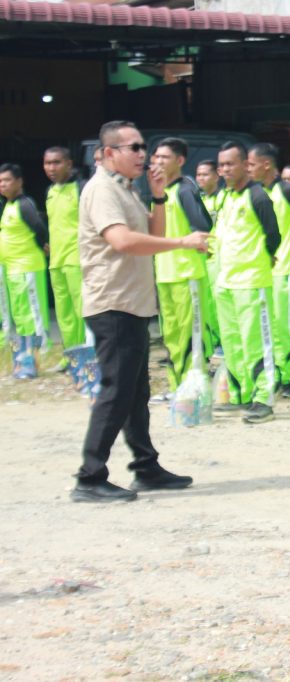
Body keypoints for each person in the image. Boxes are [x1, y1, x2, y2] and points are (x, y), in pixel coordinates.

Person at [71, 120, 208, 502]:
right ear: (110, 152)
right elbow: (123, 241)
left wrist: (159, 196)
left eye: (143, 146)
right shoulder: (101, 190)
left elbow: (149, 227)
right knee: (117, 391)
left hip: (132, 302)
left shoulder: (126, 189)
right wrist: (182, 242)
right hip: (112, 303)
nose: (142, 154)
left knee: (136, 392)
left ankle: (146, 467)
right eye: (134, 147)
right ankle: (89, 476)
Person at [214, 141, 281, 424]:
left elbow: (273, 236)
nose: (225, 170)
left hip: (252, 281)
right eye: (221, 165)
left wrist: (261, 261)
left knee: (256, 342)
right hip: (225, 282)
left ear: (245, 165)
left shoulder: (259, 197)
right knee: (232, 342)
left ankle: (263, 399)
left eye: (231, 164)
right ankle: (241, 394)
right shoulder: (224, 197)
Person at [248, 142, 290, 400]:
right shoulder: (259, 192)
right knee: (275, 327)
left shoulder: (287, 190)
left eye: (251, 164)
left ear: (267, 164)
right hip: (270, 271)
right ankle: (282, 374)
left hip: (288, 269)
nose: (248, 169)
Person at [149, 138, 215, 393]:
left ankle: (193, 388)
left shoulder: (185, 189)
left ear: (180, 161)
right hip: (165, 273)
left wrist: (198, 243)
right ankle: (177, 387)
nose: (158, 162)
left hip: (187, 273)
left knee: (190, 336)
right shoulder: (159, 192)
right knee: (172, 336)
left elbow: (203, 224)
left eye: (164, 157)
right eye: (156, 157)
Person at [0, 163, 49, 376]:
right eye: (0, 181)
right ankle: (22, 361)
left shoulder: (24, 204)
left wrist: (43, 245)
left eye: (7, 180)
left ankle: (35, 361)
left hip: (27, 267)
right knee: (21, 317)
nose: (2, 185)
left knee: (33, 316)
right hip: (12, 269)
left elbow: (39, 227)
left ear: (19, 182)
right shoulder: (8, 205)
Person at [43, 147, 87, 362]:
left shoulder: (81, 188)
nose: (51, 168)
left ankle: (88, 352)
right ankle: (71, 354)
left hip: (77, 258)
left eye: (56, 162)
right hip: (56, 261)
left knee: (82, 309)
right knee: (64, 312)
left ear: (69, 164)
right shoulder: (50, 191)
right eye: (47, 163)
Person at [194, 158, 223, 350]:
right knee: (206, 304)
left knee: (219, 303)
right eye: (198, 174)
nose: (200, 178)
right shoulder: (199, 199)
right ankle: (210, 343)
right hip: (203, 259)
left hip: (221, 259)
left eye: (205, 174)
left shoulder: (224, 198)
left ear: (216, 175)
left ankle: (222, 342)